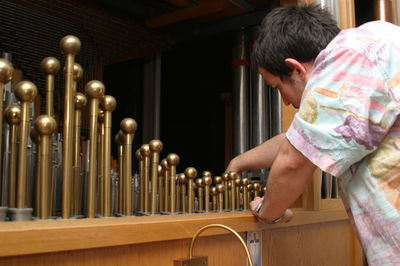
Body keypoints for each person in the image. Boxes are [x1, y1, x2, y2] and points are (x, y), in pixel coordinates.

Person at [226, 4, 400, 265]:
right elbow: (301, 141)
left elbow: (295, 161)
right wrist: (239, 162)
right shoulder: (374, 43)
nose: (284, 102)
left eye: (277, 88)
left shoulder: (347, 59)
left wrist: (267, 210)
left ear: (296, 69)